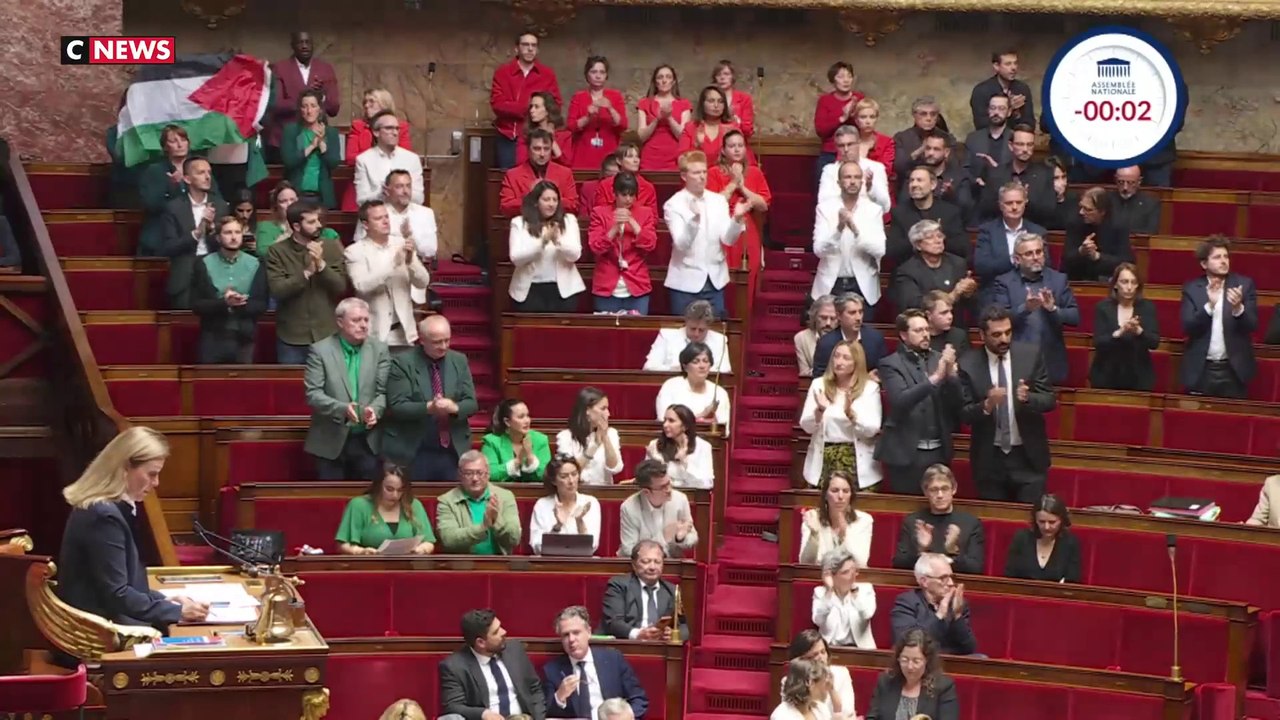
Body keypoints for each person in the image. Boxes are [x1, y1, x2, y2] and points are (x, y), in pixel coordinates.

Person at [56, 427, 209, 635]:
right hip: (99, 636)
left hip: (108, 624)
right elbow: (117, 594)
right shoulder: (102, 515)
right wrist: (177, 612)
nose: (156, 483)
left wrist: (165, 600)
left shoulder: (110, 508)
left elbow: (124, 584)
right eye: (152, 474)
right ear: (125, 467)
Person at [958, 305, 1055, 503]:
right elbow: (963, 413)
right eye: (996, 334)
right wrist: (987, 405)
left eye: (1008, 332)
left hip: (1028, 458)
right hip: (989, 460)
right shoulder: (968, 363)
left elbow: (1049, 400)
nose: (1004, 339)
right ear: (982, 335)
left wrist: (1029, 398)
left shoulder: (1030, 355)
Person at [874, 311, 964, 494]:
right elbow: (900, 401)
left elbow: (958, 403)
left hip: (938, 451)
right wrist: (937, 377)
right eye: (918, 330)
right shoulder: (890, 364)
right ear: (903, 335)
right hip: (905, 453)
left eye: (926, 329)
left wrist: (953, 376)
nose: (925, 334)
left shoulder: (939, 358)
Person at [382, 315, 479, 482]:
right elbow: (397, 405)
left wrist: (454, 407)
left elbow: (471, 403)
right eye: (437, 342)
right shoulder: (402, 363)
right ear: (422, 340)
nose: (443, 346)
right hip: (415, 448)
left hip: (452, 449)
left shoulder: (459, 360)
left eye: (447, 340)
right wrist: (429, 408)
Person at [303, 297, 389, 481]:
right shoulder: (320, 351)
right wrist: (342, 409)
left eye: (366, 320)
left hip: (367, 440)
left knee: (367, 502)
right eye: (356, 320)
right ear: (340, 322)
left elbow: (384, 392)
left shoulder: (380, 350)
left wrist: (375, 410)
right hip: (330, 440)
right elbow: (313, 394)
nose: (363, 325)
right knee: (330, 502)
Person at [664, 150, 747, 319]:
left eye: (704, 172)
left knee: (714, 337)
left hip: (715, 283)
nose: (702, 176)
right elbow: (681, 244)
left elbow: (727, 239)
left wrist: (736, 220)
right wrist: (694, 221)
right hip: (685, 285)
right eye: (696, 172)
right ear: (684, 176)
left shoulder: (718, 201)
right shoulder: (673, 205)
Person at [265, 201, 348, 364]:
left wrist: (322, 266)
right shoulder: (277, 252)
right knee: (291, 388)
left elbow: (340, 287)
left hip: (326, 333)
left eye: (318, 220)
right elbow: (278, 290)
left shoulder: (331, 247)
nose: (318, 225)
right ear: (296, 226)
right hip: (292, 336)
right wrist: (307, 272)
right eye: (311, 222)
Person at [991, 234, 1079, 385]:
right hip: (1017, 359)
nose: (1036, 257)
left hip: (1050, 360)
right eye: (1029, 253)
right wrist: (1025, 308)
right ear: (1017, 259)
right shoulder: (1004, 283)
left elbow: (1074, 317)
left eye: (1039, 252)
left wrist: (1053, 309)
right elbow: (998, 320)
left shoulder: (1058, 280)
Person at [346, 200, 431, 350]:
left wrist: (411, 261)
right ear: (365, 225)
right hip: (374, 334)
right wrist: (393, 264)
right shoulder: (354, 252)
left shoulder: (401, 243)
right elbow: (362, 286)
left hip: (404, 334)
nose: (385, 221)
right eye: (378, 218)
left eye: (386, 217)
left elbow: (423, 282)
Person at [1180, 234, 1258, 398]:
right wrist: (1209, 306)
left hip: (1233, 369)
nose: (1223, 261)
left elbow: (1252, 325)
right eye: (1217, 257)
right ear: (1204, 264)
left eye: (1226, 256)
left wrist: (1238, 309)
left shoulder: (1244, 285)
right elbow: (1188, 327)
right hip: (1202, 369)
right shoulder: (1192, 289)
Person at [800, 342, 882, 492]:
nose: (839, 362)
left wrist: (851, 415)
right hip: (824, 459)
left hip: (856, 461)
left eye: (846, 358)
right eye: (836, 357)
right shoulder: (819, 385)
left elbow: (872, 429)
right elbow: (806, 426)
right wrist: (819, 410)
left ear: (857, 362)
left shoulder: (870, 388)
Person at [542, 606, 649, 719]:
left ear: (588, 632)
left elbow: (639, 699)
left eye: (576, 632)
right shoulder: (552, 670)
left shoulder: (613, 659)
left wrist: (625, 717)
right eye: (565, 635)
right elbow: (546, 713)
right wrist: (559, 697)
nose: (571, 639)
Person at [810, 161, 886, 317]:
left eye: (857, 177)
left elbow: (880, 250)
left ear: (862, 181)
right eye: (848, 177)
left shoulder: (874, 210)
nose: (853, 181)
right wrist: (839, 229)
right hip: (831, 283)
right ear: (839, 182)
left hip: (862, 285)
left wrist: (855, 230)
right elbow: (818, 250)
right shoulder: (824, 208)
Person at [439, 608, 546, 719]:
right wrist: (483, 714)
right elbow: (453, 706)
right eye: (496, 632)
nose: (504, 632)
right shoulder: (454, 666)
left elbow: (535, 689)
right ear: (481, 642)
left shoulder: (515, 650)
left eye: (500, 626)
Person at [707, 129, 773, 309]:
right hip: (723, 231)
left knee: (746, 286)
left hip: (748, 232)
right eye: (731, 146)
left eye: (740, 146)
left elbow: (763, 204)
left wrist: (743, 188)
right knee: (724, 283)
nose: (736, 150)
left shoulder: (754, 172)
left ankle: (742, 332)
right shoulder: (713, 173)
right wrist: (733, 183)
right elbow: (712, 204)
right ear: (723, 150)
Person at [189, 216, 268, 364]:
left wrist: (240, 303)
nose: (233, 237)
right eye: (228, 233)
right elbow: (196, 304)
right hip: (213, 336)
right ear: (218, 238)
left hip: (244, 337)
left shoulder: (256, 264)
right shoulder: (203, 263)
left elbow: (261, 304)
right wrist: (225, 303)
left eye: (237, 232)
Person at [157, 157, 229, 310]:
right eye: (201, 172)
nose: (207, 176)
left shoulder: (221, 206)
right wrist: (196, 233)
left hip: (214, 273)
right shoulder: (173, 208)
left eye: (209, 172)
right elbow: (168, 247)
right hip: (185, 275)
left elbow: (227, 243)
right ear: (187, 179)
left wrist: (211, 230)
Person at [891, 465, 985, 575]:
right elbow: (898, 564)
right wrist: (921, 549)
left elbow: (976, 568)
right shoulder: (913, 522)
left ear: (953, 489)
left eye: (944, 489)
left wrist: (953, 551)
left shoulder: (971, 523)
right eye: (934, 490)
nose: (940, 495)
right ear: (925, 492)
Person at [508, 181, 585, 312]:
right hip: (529, 291)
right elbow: (516, 258)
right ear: (536, 202)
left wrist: (558, 242)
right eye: (546, 199)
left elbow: (575, 255)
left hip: (564, 291)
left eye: (555, 200)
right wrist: (542, 243)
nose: (551, 204)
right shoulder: (519, 223)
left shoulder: (569, 220)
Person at [490, 31, 563, 170]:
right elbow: (497, 104)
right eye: (525, 45)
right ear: (516, 49)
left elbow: (556, 104)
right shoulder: (502, 72)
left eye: (533, 45)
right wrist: (530, 109)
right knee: (510, 179)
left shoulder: (547, 74)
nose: (530, 49)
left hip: (538, 136)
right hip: (509, 137)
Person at [588, 172, 657, 314]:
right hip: (606, 287)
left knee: (637, 334)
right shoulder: (599, 213)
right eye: (624, 194)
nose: (628, 199)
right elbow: (595, 246)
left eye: (632, 195)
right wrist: (614, 227)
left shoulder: (645, 213)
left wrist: (632, 222)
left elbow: (650, 244)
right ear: (615, 193)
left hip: (637, 285)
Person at [267, 31, 340, 161]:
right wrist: (307, 96)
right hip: (286, 140)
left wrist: (321, 97)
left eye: (308, 42)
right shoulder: (280, 68)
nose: (304, 46)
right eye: (300, 42)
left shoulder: (325, 69)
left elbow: (334, 108)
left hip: (318, 138)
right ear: (293, 46)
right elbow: (276, 105)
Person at [1090, 263, 1161, 391]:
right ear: (1115, 284)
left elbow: (1154, 342)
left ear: (1138, 285)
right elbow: (1098, 342)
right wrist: (1119, 332)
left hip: (1138, 376)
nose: (1129, 287)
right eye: (1124, 282)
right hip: (1106, 375)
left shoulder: (1147, 308)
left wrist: (1139, 331)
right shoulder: (1103, 308)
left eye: (1133, 282)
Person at [335, 464, 435, 555]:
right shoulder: (359, 505)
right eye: (389, 489)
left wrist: (422, 549)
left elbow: (429, 542)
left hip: (408, 566)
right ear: (378, 486)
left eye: (400, 490)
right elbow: (342, 545)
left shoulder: (413, 505)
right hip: (369, 567)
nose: (395, 495)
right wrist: (361, 551)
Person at [435, 451, 522, 555]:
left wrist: (496, 520)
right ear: (460, 475)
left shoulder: (505, 496)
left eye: (479, 473)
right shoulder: (447, 501)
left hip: (500, 566)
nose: (475, 479)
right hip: (463, 567)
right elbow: (448, 540)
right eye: (468, 473)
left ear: (488, 473)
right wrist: (483, 527)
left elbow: (514, 539)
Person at [137, 125, 206, 256]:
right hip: (163, 236)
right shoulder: (154, 171)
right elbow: (151, 205)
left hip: (198, 234)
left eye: (183, 140)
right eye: (173, 141)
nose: (180, 145)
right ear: (165, 147)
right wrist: (174, 187)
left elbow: (215, 198)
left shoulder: (202, 168)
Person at [890, 554, 978, 657]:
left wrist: (957, 615)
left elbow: (969, 648)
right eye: (943, 578)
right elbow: (909, 644)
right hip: (920, 663)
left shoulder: (956, 604)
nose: (950, 583)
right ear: (924, 581)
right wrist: (939, 615)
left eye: (951, 577)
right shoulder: (907, 603)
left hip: (952, 662)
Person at [601, 539, 688, 640]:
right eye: (646, 561)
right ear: (634, 564)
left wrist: (675, 634)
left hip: (661, 647)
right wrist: (638, 634)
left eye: (657, 562)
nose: (652, 567)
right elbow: (613, 622)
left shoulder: (672, 590)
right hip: (628, 646)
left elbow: (685, 625)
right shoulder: (619, 585)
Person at [972, 183, 1048, 300]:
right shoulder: (987, 231)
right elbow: (982, 266)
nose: (1014, 207)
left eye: (1019, 202)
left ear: (1025, 203)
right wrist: (1016, 260)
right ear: (1000, 205)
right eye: (1009, 203)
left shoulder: (1038, 231)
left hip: (1031, 290)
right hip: (996, 291)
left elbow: (1046, 265)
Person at [864, 628, 959, 720]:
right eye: (904, 660)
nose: (910, 666)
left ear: (927, 661)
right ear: (898, 658)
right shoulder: (885, 682)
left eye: (916, 661)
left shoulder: (944, 687)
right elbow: (872, 717)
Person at [343, 88, 413, 211]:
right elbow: (350, 158)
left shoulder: (400, 127)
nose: (366, 105)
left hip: (392, 188)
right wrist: (378, 158)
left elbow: (403, 158)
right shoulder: (358, 127)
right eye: (365, 102)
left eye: (371, 101)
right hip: (362, 186)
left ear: (384, 104)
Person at [889, 219, 976, 317]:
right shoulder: (907, 271)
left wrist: (969, 291)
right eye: (930, 237)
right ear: (918, 245)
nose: (938, 241)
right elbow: (913, 305)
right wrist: (953, 296)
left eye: (939, 236)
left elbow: (968, 303)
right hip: (924, 324)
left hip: (954, 323)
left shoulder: (958, 263)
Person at [886, 167, 967, 266]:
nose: (914, 184)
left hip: (942, 268)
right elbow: (892, 250)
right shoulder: (899, 213)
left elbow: (962, 248)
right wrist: (920, 240)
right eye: (911, 181)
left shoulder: (950, 212)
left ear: (933, 185)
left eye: (919, 180)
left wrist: (936, 240)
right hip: (910, 270)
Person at [617, 460, 697, 558]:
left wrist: (679, 538)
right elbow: (630, 549)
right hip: (640, 566)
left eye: (669, 483)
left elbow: (693, 536)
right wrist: (662, 541)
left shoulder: (680, 499)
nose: (669, 490)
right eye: (663, 487)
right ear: (646, 492)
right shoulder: (629, 507)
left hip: (671, 563)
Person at [280, 89, 342, 209]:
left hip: (322, 196)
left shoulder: (331, 133)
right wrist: (312, 146)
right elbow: (289, 161)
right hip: (296, 195)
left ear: (320, 109)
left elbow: (334, 163)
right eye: (305, 107)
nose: (309, 111)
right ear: (300, 110)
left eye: (313, 106)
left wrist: (322, 145)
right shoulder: (291, 131)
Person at [799, 470, 874, 567]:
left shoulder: (864, 520)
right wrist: (814, 535)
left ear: (851, 496)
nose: (840, 496)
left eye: (846, 491)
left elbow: (860, 562)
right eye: (835, 491)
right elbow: (805, 563)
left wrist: (844, 537)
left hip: (854, 580)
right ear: (825, 495)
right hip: (821, 578)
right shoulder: (813, 517)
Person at [499, 128, 579, 218]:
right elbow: (505, 207)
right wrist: (532, 197)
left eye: (546, 149)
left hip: (557, 226)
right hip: (525, 226)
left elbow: (573, 206)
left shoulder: (565, 173)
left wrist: (549, 199)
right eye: (537, 149)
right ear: (528, 149)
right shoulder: (513, 175)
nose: (542, 154)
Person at [655, 342, 731, 435]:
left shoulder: (720, 392)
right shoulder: (671, 386)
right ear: (685, 366)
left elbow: (724, 430)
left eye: (706, 361)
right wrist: (702, 415)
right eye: (696, 362)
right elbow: (665, 421)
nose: (702, 366)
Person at [567, 56, 628, 172]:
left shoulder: (615, 96)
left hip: (609, 154)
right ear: (587, 75)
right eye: (593, 72)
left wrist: (610, 108)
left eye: (602, 72)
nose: (598, 76)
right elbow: (571, 126)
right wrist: (587, 117)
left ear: (606, 76)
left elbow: (623, 125)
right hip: (583, 154)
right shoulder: (578, 97)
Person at [530, 457, 601, 555]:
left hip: (582, 563)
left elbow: (592, 546)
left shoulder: (590, 502)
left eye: (574, 474)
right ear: (553, 481)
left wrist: (579, 522)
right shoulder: (542, 505)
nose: (571, 481)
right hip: (550, 563)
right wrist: (557, 526)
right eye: (564, 476)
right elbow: (537, 547)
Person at [353, 111, 424, 208]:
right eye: (389, 128)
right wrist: (380, 194)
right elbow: (361, 200)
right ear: (376, 132)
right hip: (377, 216)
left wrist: (397, 192)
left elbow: (419, 198)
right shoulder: (363, 160)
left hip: (406, 214)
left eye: (397, 129)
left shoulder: (412, 159)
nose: (395, 133)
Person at [1062, 186, 1134, 282]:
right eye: (1081, 207)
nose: (1081, 212)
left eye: (1088, 209)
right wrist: (1081, 251)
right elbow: (1066, 259)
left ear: (1102, 212)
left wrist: (1097, 256)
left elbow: (1126, 261)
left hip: (1107, 277)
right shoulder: (1075, 222)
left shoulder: (1118, 225)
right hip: (1078, 276)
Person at [1004, 494, 1080, 582]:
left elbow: (1072, 580)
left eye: (1052, 522)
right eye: (1042, 522)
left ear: (1062, 520)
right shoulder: (1021, 538)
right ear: (1035, 520)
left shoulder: (1070, 543)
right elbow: (1010, 575)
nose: (1046, 527)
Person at [254, 181, 341, 258]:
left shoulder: (324, 231)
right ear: (276, 206)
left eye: (293, 200)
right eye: (283, 201)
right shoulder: (266, 227)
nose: (289, 204)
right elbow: (262, 253)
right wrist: (285, 238)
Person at [817, 125, 891, 215]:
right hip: (837, 222)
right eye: (841, 145)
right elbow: (823, 203)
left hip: (868, 222)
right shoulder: (829, 170)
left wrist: (870, 188)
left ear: (859, 143)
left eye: (850, 144)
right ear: (836, 147)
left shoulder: (876, 168)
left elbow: (886, 206)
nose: (846, 149)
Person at [556, 387, 624, 486]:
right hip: (576, 492)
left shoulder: (611, 433)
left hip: (603, 493)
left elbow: (615, 468)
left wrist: (605, 437)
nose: (608, 414)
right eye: (603, 408)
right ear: (587, 410)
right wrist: (594, 446)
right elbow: (568, 471)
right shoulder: (565, 437)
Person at [643, 300, 732, 374]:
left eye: (701, 330)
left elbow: (724, 371)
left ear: (708, 327)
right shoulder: (667, 336)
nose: (696, 334)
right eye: (693, 329)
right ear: (686, 322)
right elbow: (649, 367)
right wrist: (677, 369)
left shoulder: (720, 340)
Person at [813, 547, 877, 649]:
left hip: (860, 650)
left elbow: (866, 614)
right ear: (831, 575)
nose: (852, 576)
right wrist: (829, 591)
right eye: (846, 572)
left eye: (854, 571)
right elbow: (818, 620)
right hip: (829, 649)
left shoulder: (865, 590)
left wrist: (855, 592)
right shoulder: (821, 593)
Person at [813, 61, 866, 181]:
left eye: (849, 76)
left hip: (856, 153)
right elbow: (821, 130)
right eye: (841, 77)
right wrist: (842, 118)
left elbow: (866, 127)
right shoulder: (825, 100)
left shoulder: (860, 99)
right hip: (830, 153)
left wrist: (854, 116)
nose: (846, 80)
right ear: (833, 80)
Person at [786, 631, 857, 720]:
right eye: (814, 655)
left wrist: (832, 690)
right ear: (801, 660)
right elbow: (791, 714)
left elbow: (847, 714)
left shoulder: (841, 674)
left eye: (823, 652)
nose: (821, 658)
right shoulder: (792, 680)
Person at [812, 293, 887, 377]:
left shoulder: (875, 338)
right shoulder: (826, 343)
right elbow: (819, 376)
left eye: (860, 312)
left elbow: (884, 370)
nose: (858, 318)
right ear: (839, 316)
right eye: (852, 313)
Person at [482, 398, 552, 483]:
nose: (527, 421)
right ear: (507, 421)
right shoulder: (492, 442)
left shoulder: (540, 440)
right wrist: (517, 461)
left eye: (527, 415)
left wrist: (530, 457)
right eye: (521, 417)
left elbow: (547, 475)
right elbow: (490, 473)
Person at [637, 64, 692, 172]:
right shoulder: (644, 103)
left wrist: (669, 118)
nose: (664, 80)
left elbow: (683, 136)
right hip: (650, 159)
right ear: (655, 81)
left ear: (674, 81)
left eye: (668, 77)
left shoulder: (684, 104)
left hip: (675, 159)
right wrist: (657, 119)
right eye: (660, 77)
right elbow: (641, 137)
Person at [647, 404, 715, 490]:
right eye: (665, 420)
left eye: (671, 421)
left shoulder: (703, 447)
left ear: (685, 426)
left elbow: (706, 484)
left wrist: (684, 463)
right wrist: (657, 462)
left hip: (690, 499)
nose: (665, 425)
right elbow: (648, 481)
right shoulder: (655, 445)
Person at [678, 86, 747, 164]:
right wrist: (697, 146)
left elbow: (741, 159)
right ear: (702, 104)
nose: (716, 105)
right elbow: (682, 160)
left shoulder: (732, 128)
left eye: (721, 101)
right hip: (698, 174)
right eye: (711, 101)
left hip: (725, 174)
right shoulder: (690, 127)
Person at [970, 49, 1034, 130]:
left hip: (1016, 139)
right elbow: (981, 124)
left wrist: (1017, 114)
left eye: (1015, 63)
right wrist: (1008, 109)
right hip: (990, 140)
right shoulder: (981, 91)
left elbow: (1030, 123)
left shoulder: (1022, 89)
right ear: (996, 66)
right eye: (1008, 64)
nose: (1013, 68)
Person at [516, 92, 573, 168]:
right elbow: (521, 163)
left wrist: (551, 140)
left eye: (536, 107)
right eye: (531, 107)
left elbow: (567, 164)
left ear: (547, 110)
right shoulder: (526, 135)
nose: (531, 111)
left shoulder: (564, 135)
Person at [852, 98, 896, 187]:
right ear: (856, 120)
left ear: (876, 119)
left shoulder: (886, 142)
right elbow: (841, 168)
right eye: (863, 117)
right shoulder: (850, 141)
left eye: (872, 117)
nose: (868, 121)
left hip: (879, 188)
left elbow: (885, 171)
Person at [1108, 165, 1161, 235]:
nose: (1125, 188)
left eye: (1130, 183)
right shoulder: (1106, 200)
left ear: (1139, 181)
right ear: (1115, 179)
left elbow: (1151, 231)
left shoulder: (1150, 204)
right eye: (1121, 182)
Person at [796, 295, 839, 378]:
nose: (828, 323)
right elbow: (804, 374)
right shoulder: (801, 338)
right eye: (823, 318)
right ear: (814, 317)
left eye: (833, 318)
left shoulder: (845, 336)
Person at [712, 60, 755, 139]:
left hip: (737, 144)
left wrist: (736, 121)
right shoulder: (709, 98)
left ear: (733, 77)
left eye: (726, 74)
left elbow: (748, 131)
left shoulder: (744, 99)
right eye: (718, 75)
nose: (722, 78)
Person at [229, 188, 258, 255]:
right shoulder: (225, 227)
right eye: (240, 210)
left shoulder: (259, 227)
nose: (245, 215)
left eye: (248, 211)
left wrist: (257, 247)